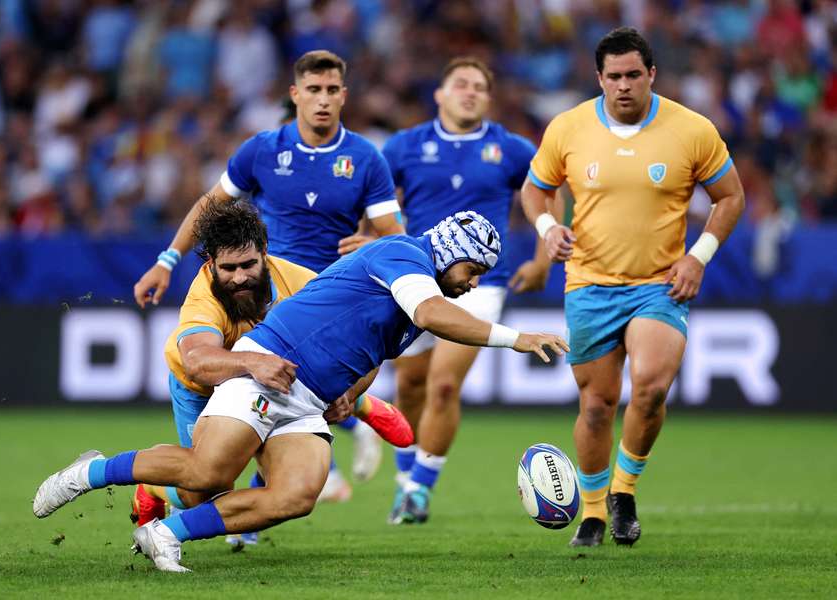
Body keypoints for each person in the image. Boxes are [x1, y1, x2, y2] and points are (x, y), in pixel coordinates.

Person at [33, 211, 569, 573]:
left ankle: (166, 534)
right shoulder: (402, 255)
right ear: (451, 251)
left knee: (296, 495)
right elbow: (431, 313)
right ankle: (86, 473)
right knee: (208, 473)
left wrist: (351, 395)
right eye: (473, 271)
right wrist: (517, 339)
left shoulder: (409, 284)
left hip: (306, 401)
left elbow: (372, 351)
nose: (474, 284)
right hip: (259, 372)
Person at [133, 49, 406, 497]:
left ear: (344, 96)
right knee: (234, 434)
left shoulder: (366, 159)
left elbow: (395, 236)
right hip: (261, 289)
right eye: (313, 90)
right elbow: (209, 205)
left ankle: (351, 406)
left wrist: (375, 243)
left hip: (324, 298)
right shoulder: (263, 150)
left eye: (331, 90)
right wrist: (167, 261)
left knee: (280, 401)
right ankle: (359, 407)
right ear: (295, 94)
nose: (322, 99)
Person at [522, 27, 745, 547]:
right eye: (613, 77)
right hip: (590, 285)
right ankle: (595, 513)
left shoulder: (691, 129)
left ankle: (624, 489)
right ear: (599, 78)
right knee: (597, 405)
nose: (623, 86)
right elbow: (535, 190)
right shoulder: (569, 127)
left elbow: (729, 197)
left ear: (652, 75)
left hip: (658, 284)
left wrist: (699, 256)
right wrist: (548, 229)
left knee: (649, 387)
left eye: (632, 75)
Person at [130, 199, 412, 549]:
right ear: (210, 263)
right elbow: (198, 361)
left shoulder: (304, 283)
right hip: (202, 386)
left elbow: (362, 342)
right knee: (200, 494)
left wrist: (349, 393)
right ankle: (152, 487)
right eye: (228, 268)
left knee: (288, 464)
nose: (239, 277)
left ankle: (359, 405)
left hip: (273, 381)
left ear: (265, 251)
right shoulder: (203, 296)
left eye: (249, 264)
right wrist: (251, 362)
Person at [379, 57, 544, 524]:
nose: (470, 92)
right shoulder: (406, 145)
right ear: (440, 93)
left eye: (479, 86)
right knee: (410, 383)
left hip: (480, 284)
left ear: (489, 98)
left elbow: (546, 192)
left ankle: (419, 490)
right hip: (415, 277)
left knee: (445, 384)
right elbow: (374, 196)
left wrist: (542, 255)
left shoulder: (510, 149)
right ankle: (405, 475)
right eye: (460, 84)